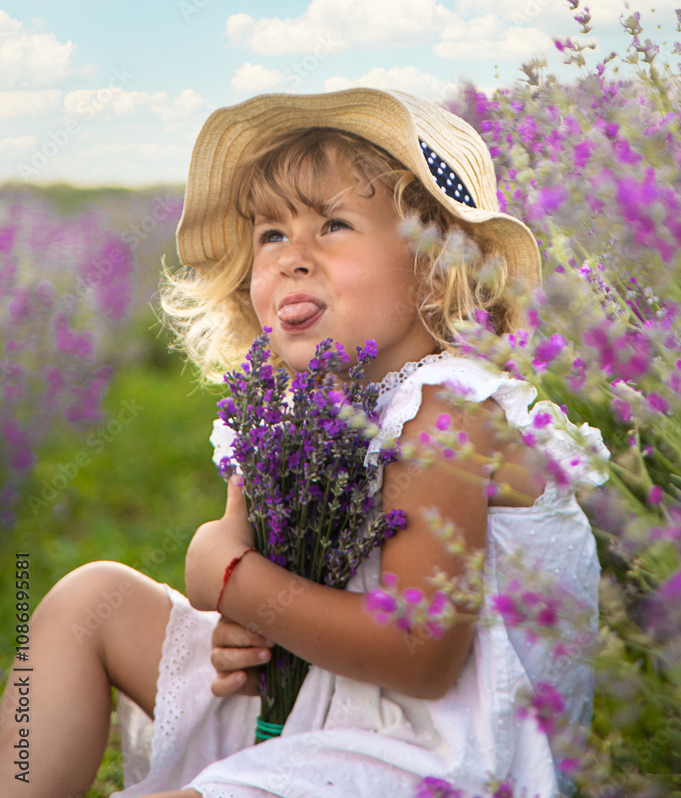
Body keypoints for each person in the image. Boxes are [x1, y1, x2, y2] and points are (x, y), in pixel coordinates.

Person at [0, 88, 607, 798]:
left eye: (334, 224)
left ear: (437, 269)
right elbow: (234, 554)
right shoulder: (287, 410)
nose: (292, 257)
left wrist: (236, 585)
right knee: (88, 598)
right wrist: (236, 615)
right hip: (313, 704)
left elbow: (420, 655)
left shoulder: (445, 413)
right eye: (271, 234)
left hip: (428, 757)